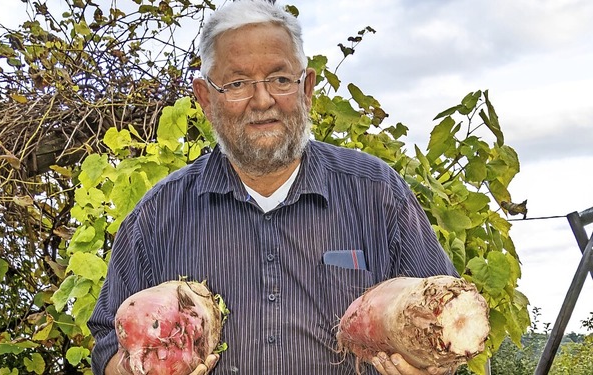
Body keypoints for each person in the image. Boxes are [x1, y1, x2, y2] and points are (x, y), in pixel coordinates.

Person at [87, 1, 460, 374]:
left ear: (307, 88)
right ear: (205, 99)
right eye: (237, 84)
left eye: (280, 79)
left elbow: (444, 322)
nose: (263, 100)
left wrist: (433, 368)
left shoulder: (377, 194)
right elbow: (108, 345)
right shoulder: (157, 215)